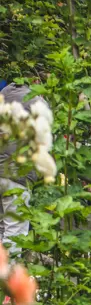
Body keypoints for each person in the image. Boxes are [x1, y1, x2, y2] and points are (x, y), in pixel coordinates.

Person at [0, 85, 41, 252]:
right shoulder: (36, 98)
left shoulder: (3, 95)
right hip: (17, 176)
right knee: (15, 234)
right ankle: (7, 276)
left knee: (2, 229)